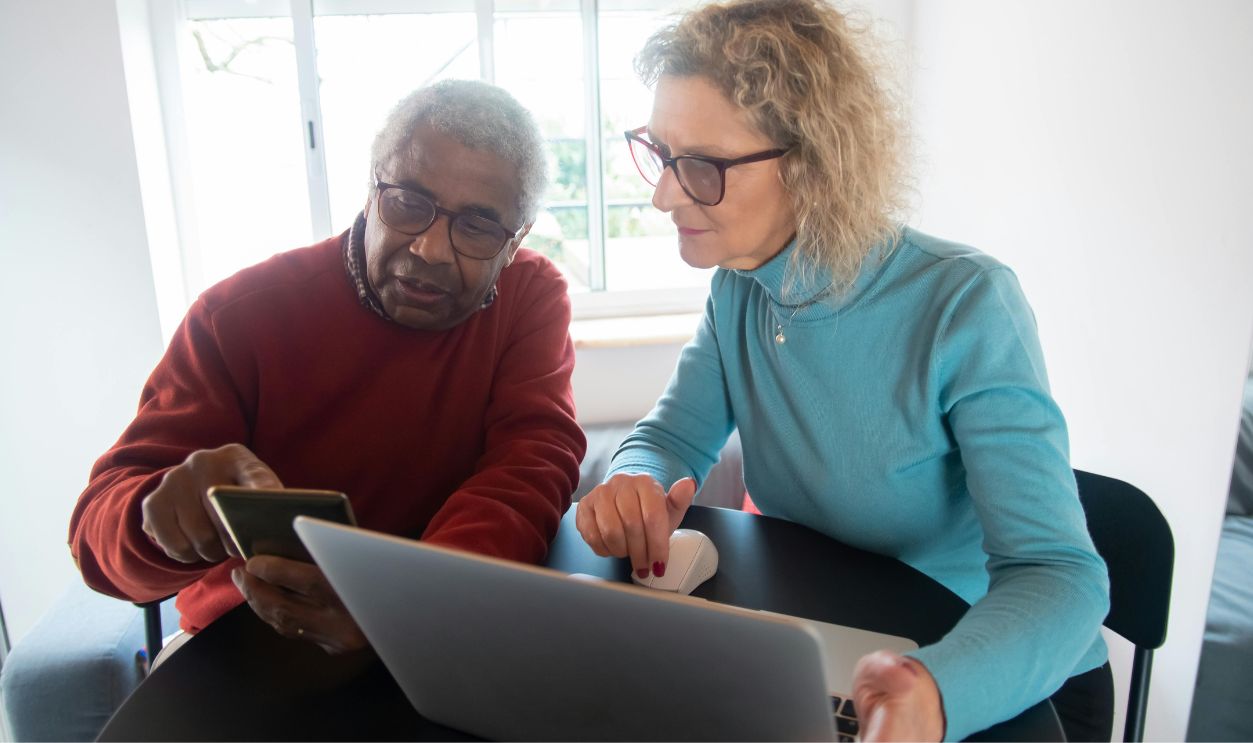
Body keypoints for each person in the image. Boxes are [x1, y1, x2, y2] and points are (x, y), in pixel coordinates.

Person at [574, 1, 1111, 740]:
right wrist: (634, 481)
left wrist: (938, 691)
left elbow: (1060, 575)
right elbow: (670, 437)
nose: (663, 194)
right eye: (659, 154)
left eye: (700, 165)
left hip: (988, 675)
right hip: (830, 636)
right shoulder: (738, 285)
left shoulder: (964, 302)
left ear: (812, 164)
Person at [69, 79, 586, 658]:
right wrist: (159, 523)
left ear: (515, 242)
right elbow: (95, 545)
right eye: (409, 203)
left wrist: (406, 603)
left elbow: (530, 463)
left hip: (438, 619)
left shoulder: (528, 296)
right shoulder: (238, 317)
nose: (431, 250)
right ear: (371, 193)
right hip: (249, 643)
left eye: (477, 227)